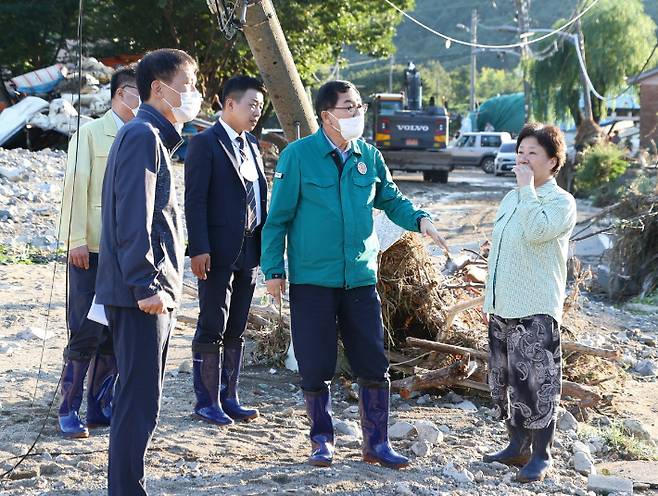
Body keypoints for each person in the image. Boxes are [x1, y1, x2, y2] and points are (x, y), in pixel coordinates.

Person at [261, 80, 449, 470]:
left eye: (359, 105)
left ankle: (376, 444)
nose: (357, 113)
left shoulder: (369, 156)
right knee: (316, 363)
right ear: (327, 115)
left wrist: (420, 219)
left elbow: (391, 198)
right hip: (313, 280)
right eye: (349, 107)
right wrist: (274, 270)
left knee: (372, 362)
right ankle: (321, 442)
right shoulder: (298, 157)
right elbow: (276, 220)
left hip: (360, 279)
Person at [95, 48, 200, 496]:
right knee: (138, 402)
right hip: (143, 293)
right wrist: (146, 282)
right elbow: (132, 215)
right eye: (190, 85)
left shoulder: (154, 137)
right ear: (159, 88)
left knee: (143, 400)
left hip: (151, 290)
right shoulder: (142, 136)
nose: (196, 95)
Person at [482, 123, 577, 483]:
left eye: (532, 153)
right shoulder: (511, 197)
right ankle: (515, 445)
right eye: (520, 152)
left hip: (536, 305)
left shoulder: (561, 202)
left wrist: (526, 190)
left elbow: (537, 231)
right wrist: (488, 297)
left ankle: (542, 454)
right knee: (506, 379)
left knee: (537, 381)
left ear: (553, 162)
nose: (523, 159)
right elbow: (500, 250)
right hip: (502, 304)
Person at [57, 65, 139, 438]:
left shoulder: (145, 135)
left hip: (129, 252)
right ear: (122, 93)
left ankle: (99, 407)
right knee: (86, 329)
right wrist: (74, 238)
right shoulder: (89, 135)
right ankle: (67, 408)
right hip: (90, 249)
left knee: (115, 332)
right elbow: (76, 186)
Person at [184, 76, 268, 425]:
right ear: (229, 104)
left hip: (250, 245)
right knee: (211, 321)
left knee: (237, 324)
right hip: (215, 250)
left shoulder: (252, 145)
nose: (256, 113)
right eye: (252, 105)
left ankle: (229, 395)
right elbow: (195, 199)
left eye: (261, 108)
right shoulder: (205, 143)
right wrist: (198, 248)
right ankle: (207, 400)